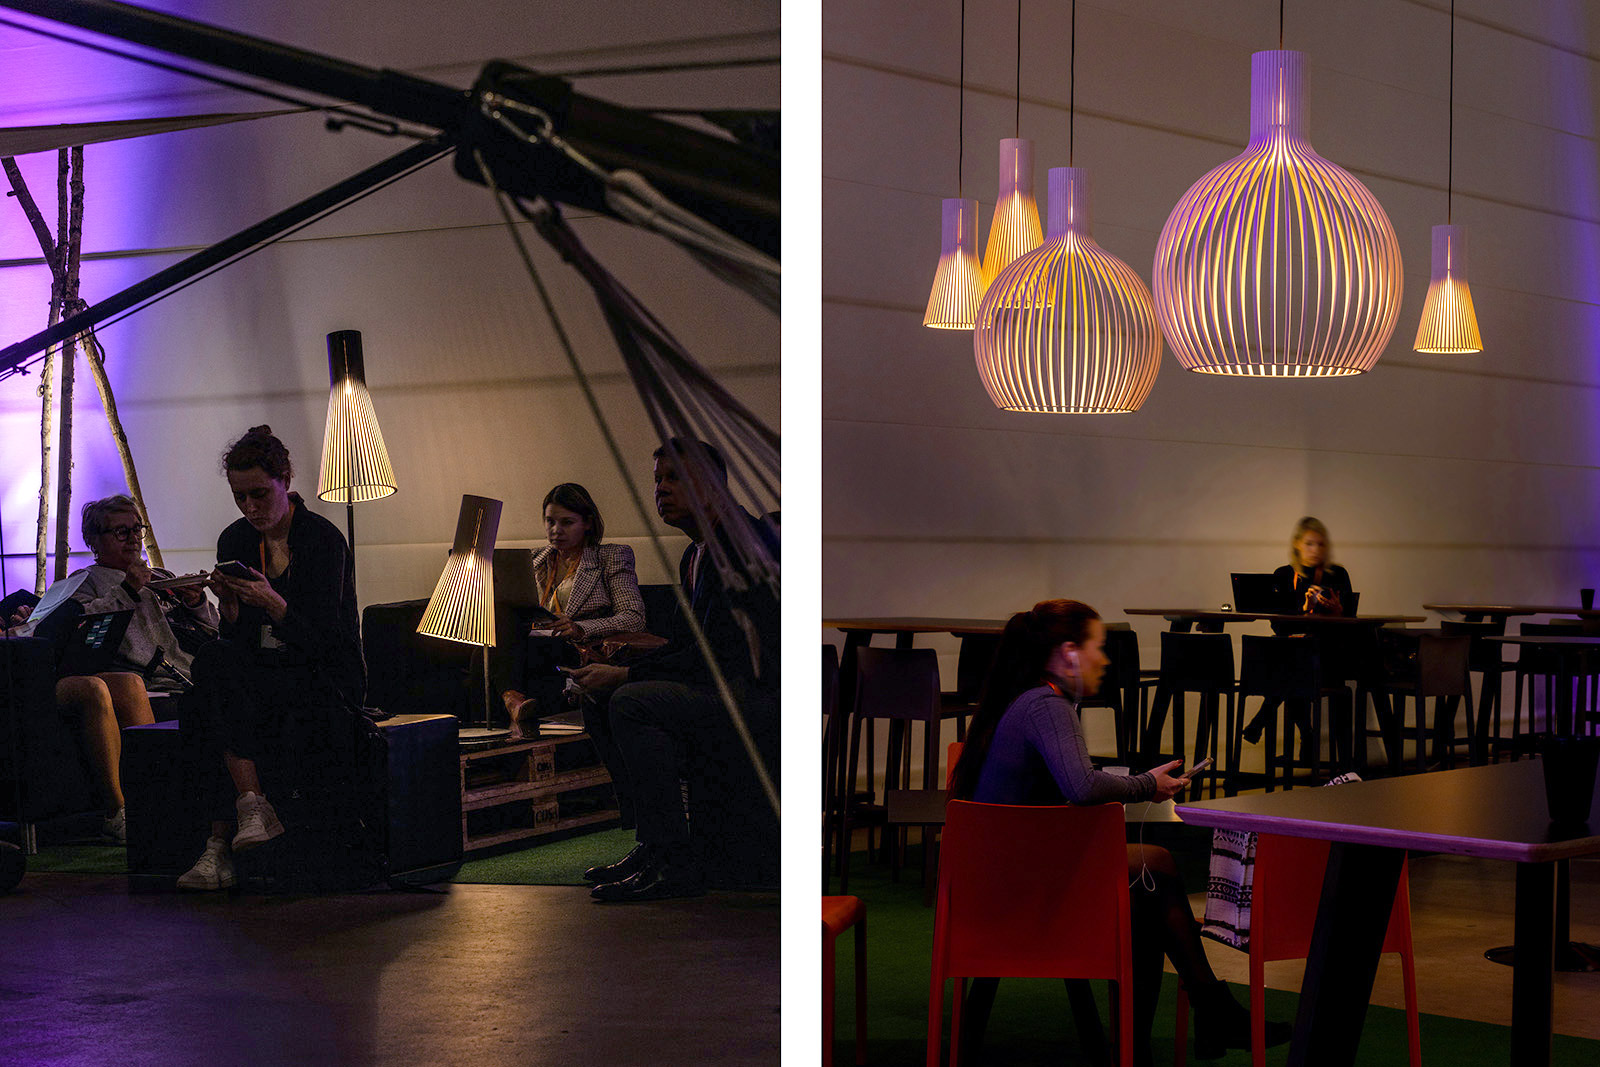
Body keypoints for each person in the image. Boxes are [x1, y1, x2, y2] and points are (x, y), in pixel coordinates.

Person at [948, 599, 1291, 1064]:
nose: (1104, 659)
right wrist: (1148, 784)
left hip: (998, 883)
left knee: (1147, 890)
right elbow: (1083, 785)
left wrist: (1142, 783)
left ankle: (1184, 1024)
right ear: (1070, 652)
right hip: (1020, 894)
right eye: (1098, 647)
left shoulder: (1026, 700)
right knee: (1158, 868)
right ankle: (1203, 1015)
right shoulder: (1047, 706)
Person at [569, 438, 779, 902]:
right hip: (724, 685)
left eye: (675, 478)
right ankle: (652, 842)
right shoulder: (695, 554)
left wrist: (628, 677)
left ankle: (673, 861)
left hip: (759, 696)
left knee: (631, 701)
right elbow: (690, 646)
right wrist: (620, 661)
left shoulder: (740, 548)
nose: (661, 489)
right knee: (600, 694)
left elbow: (724, 656)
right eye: (658, 479)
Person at [176, 426, 364, 891]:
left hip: (323, 672)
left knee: (212, 703)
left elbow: (325, 641)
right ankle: (250, 808)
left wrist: (272, 602)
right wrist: (232, 607)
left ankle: (219, 846)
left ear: (285, 480)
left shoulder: (321, 539)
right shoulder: (236, 539)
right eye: (240, 497)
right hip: (264, 668)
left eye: (259, 494)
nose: (250, 508)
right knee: (210, 673)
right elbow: (238, 639)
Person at [493, 483, 645, 739]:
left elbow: (634, 617)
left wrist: (579, 627)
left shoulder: (612, 557)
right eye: (550, 521)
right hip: (531, 644)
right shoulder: (533, 559)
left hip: (573, 648)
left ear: (587, 523)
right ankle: (512, 701)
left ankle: (503, 714)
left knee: (492, 660)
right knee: (492, 629)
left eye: (566, 522)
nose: (556, 531)